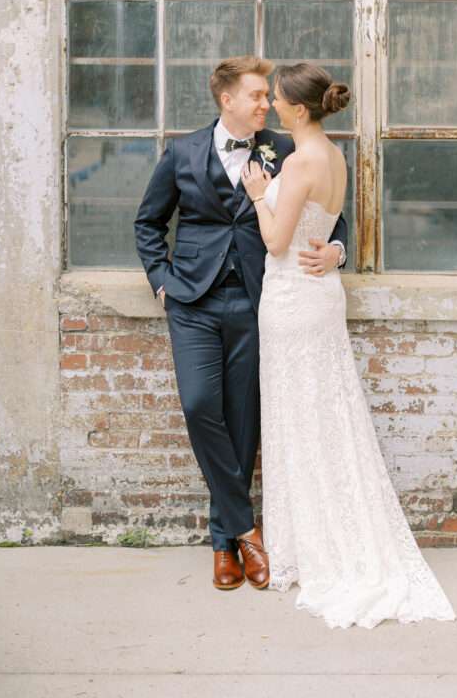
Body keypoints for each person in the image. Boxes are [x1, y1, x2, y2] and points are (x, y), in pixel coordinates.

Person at [242, 62, 456, 629]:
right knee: (326, 416)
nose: (273, 106)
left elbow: (276, 240)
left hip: (291, 300)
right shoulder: (333, 156)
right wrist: (335, 251)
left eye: (279, 99)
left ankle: (313, 546)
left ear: (299, 109)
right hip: (320, 296)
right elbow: (327, 228)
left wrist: (261, 194)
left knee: (297, 418)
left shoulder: (299, 160)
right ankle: (323, 532)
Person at [134, 57, 348, 592]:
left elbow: (330, 212)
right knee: (200, 405)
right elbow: (148, 223)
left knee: (244, 421)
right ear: (226, 99)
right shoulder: (182, 151)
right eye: (254, 95)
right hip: (193, 302)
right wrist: (162, 281)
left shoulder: (288, 146)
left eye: (266, 96)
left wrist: (337, 250)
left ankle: (223, 546)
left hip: (260, 301)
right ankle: (246, 530)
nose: (263, 104)